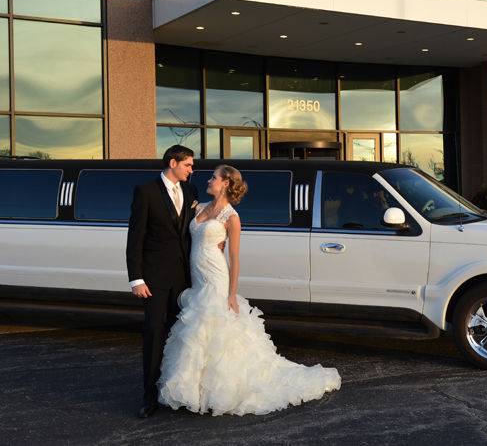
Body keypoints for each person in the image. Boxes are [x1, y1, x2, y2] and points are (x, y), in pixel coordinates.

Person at [157, 165, 341, 416]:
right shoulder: (198, 208)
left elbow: (234, 258)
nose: (208, 180)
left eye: (213, 177)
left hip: (216, 276)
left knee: (213, 327)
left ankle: (218, 390)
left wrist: (232, 294)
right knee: (196, 332)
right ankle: (195, 388)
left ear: (224, 183)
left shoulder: (231, 217)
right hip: (197, 278)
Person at [126, 145, 200, 418]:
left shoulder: (191, 192)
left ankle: (179, 393)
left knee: (183, 337)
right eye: (188, 165)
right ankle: (149, 397)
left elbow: (191, 233)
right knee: (155, 334)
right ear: (173, 163)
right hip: (155, 280)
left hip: (184, 279)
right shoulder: (145, 192)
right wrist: (137, 278)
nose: (192, 170)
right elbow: (135, 238)